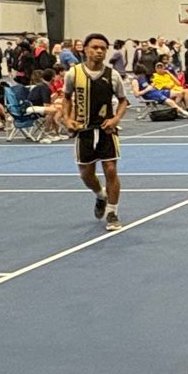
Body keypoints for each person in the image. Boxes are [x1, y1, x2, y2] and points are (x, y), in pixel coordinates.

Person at [62, 33, 128, 231]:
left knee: (110, 169)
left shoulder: (112, 75)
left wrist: (115, 119)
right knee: (86, 174)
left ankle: (112, 212)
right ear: (85, 49)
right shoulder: (73, 74)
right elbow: (66, 98)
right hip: (84, 131)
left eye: (103, 48)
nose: (99, 51)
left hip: (106, 130)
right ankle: (100, 195)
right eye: (95, 47)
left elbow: (123, 101)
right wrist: (67, 119)